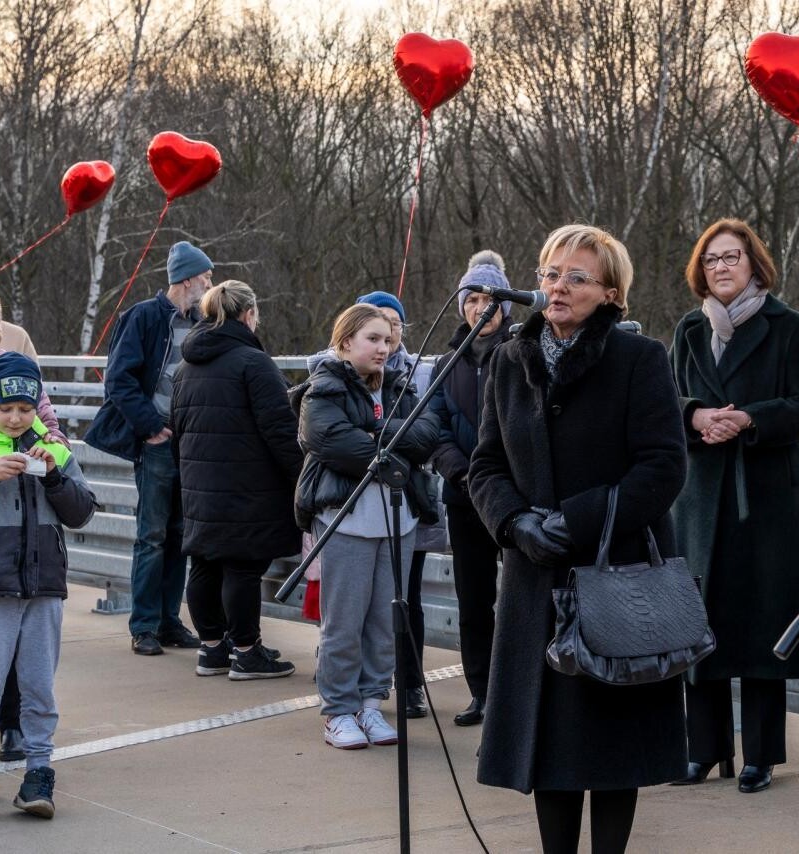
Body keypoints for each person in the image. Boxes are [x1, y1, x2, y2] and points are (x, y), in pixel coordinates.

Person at [470, 224, 688, 854]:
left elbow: (663, 466)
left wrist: (578, 518)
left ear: (612, 294)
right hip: (534, 576)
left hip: (613, 574)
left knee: (611, 740)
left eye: (576, 277)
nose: (556, 287)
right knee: (548, 745)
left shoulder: (638, 360)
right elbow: (485, 463)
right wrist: (513, 522)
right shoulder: (509, 359)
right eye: (549, 273)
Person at [668, 218, 799, 794]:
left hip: (762, 498)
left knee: (763, 624)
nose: (721, 268)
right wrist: (696, 416)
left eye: (731, 257)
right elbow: (666, 398)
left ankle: (760, 755)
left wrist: (750, 417)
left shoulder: (787, 326)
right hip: (700, 496)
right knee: (698, 624)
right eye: (711, 260)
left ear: (754, 263)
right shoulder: (688, 329)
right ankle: (702, 749)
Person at [292, 304, 439, 750]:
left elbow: (428, 432)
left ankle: (372, 704)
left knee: (382, 620)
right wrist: (387, 440)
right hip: (347, 521)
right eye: (373, 338)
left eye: (387, 339)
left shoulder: (399, 384)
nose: (383, 347)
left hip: (397, 521)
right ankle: (338, 710)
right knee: (344, 621)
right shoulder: (325, 386)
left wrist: (375, 434)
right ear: (345, 342)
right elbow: (329, 439)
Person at [85, 240, 214, 655]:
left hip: (191, 444)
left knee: (180, 535)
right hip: (158, 442)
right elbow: (118, 379)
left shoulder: (202, 323)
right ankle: (143, 625)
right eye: (206, 277)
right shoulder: (142, 317)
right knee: (152, 534)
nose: (210, 284)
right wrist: (150, 426)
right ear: (188, 279)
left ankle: (169, 621)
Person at [171, 281, 302, 680]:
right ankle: (246, 651)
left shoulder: (185, 365)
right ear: (249, 315)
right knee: (243, 567)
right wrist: (303, 477)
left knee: (205, 564)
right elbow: (281, 429)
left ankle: (212, 649)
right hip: (248, 485)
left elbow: (175, 426)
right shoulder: (253, 362)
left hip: (198, 483)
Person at [0, 352, 97, 819]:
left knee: (39, 686)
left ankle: (38, 772)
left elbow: (82, 512)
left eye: (24, 408)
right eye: (5, 409)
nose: (16, 418)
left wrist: (55, 475)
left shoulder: (55, 449)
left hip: (44, 589)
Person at [428, 250, 515, 727]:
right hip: (464, 498)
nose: (481, 307)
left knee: (523, 599)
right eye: (472, 298)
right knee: (473, 601)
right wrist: (462, 474)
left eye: (490, 298)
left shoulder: (522, 351)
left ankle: (518, 693)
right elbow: (434, 429)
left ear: (505, 305)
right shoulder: (446, 362)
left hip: (516, 500)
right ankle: (481, 693)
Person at [0, 306, 66, 764]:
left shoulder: (17, 338)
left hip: (33, 564)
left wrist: (54, 462)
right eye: (7, 409)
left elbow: (46, 418)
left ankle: (24, 743)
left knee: (33, 668)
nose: (16, 416)